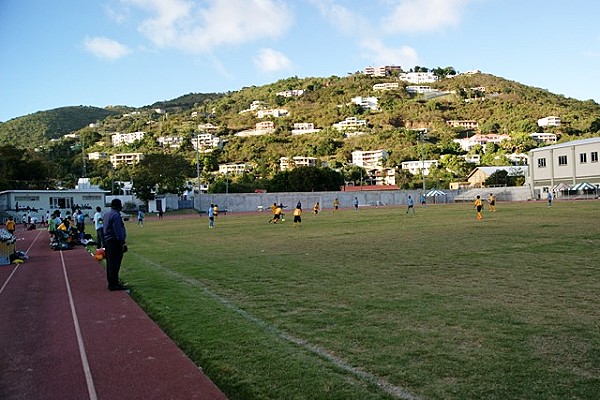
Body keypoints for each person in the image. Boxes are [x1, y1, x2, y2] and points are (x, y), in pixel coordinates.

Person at [103, 199, 127, 291]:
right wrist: (122, 242)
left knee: (110, 263)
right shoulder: (116, 215)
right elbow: (118, 230)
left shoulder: (106, 214)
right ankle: (114, 284)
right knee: (115, 264)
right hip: (114, 242)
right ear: (118, 206)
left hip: (108, 241)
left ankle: (112, 282)